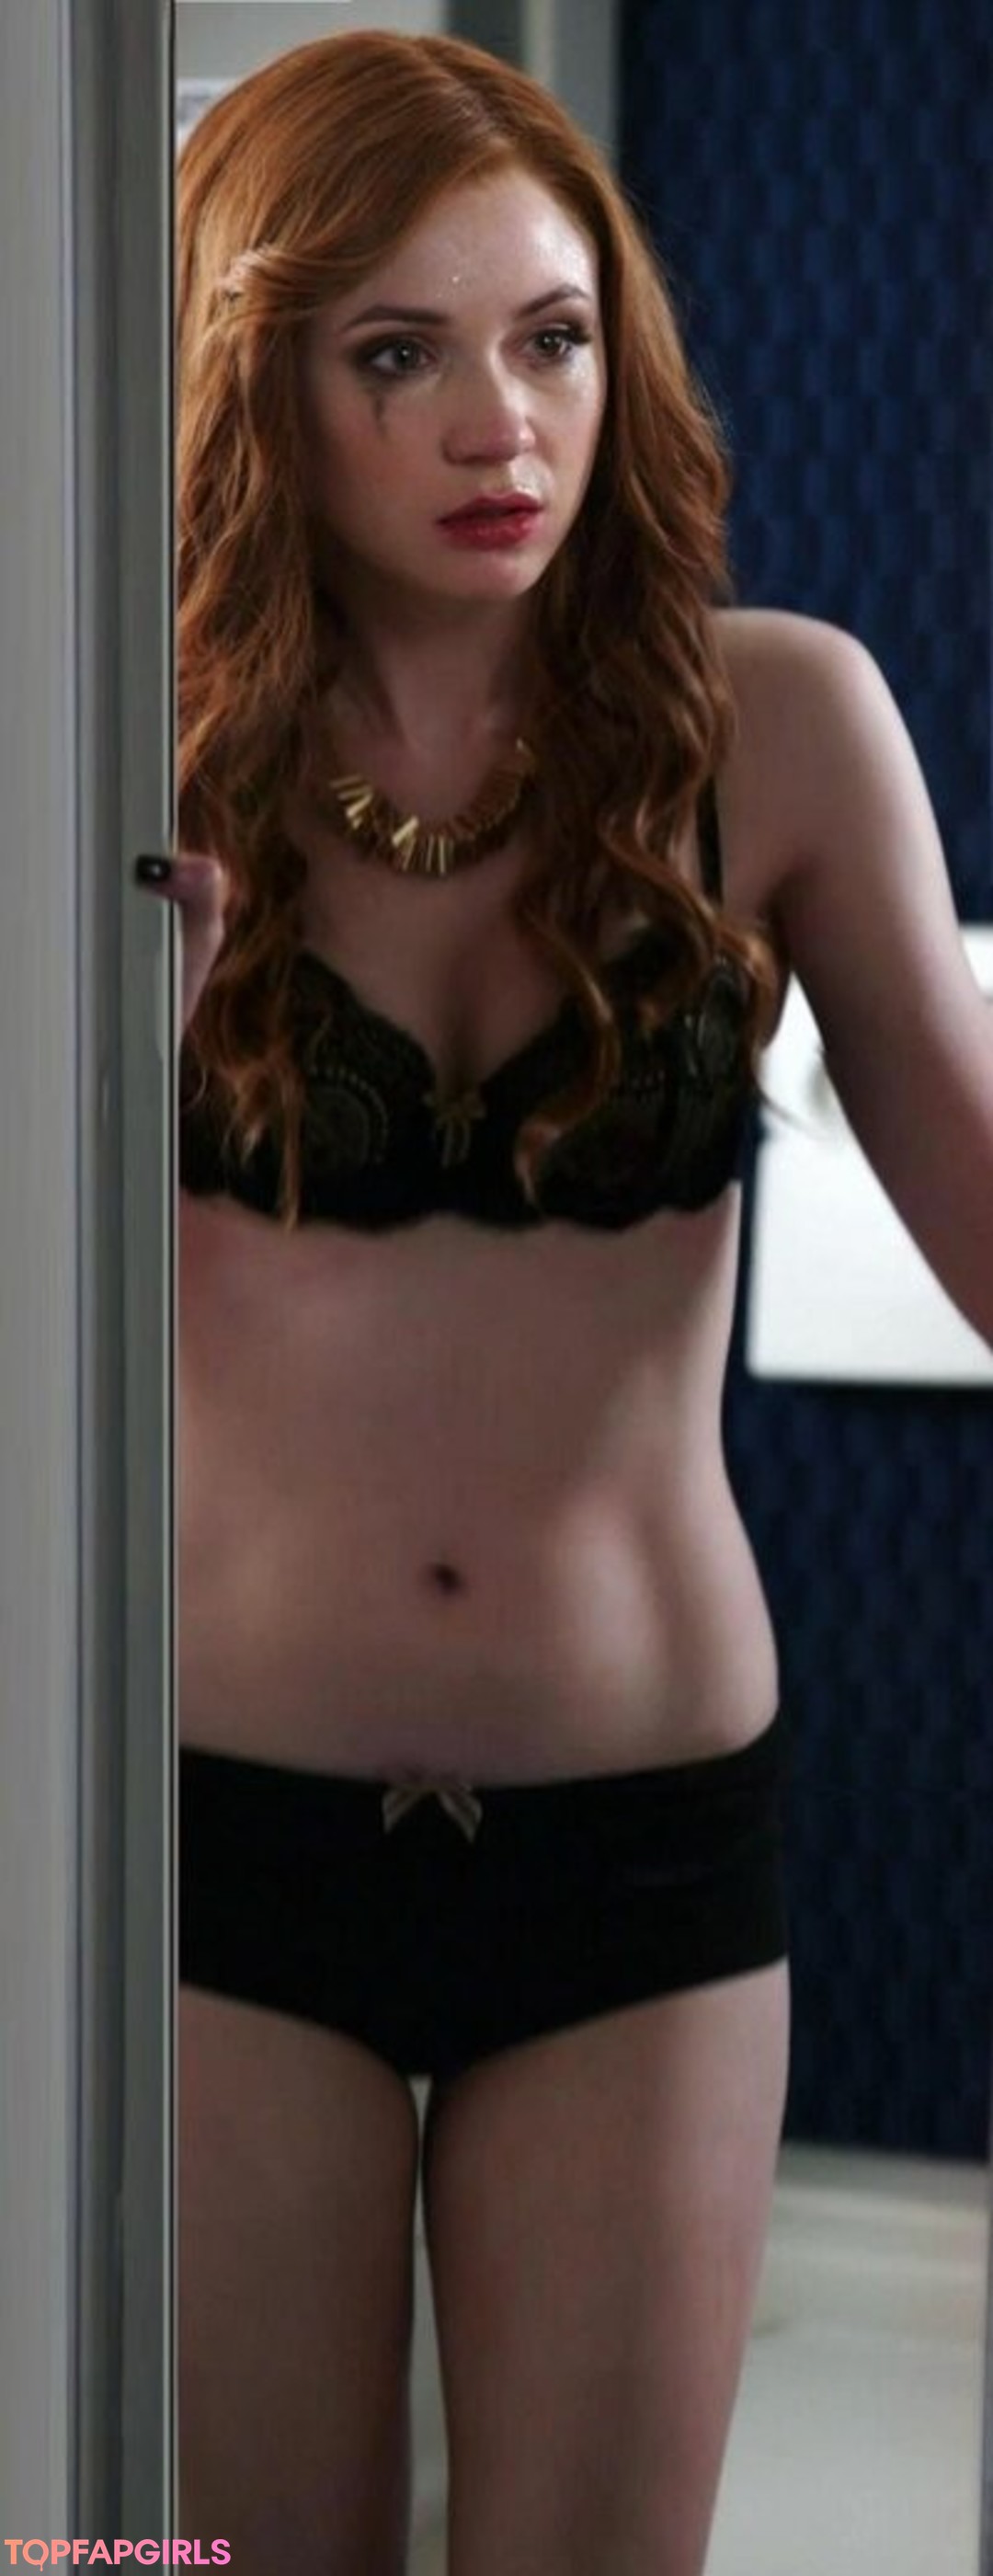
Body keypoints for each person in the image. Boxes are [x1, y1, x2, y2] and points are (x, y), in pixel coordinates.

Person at [137, 28, 993, 2576]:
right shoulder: (121, 757)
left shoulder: (782, 724)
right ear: (256, 384)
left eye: (553, 338)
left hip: (642, 1844)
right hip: (209, 1836)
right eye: (397, 352)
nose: (499, 423)